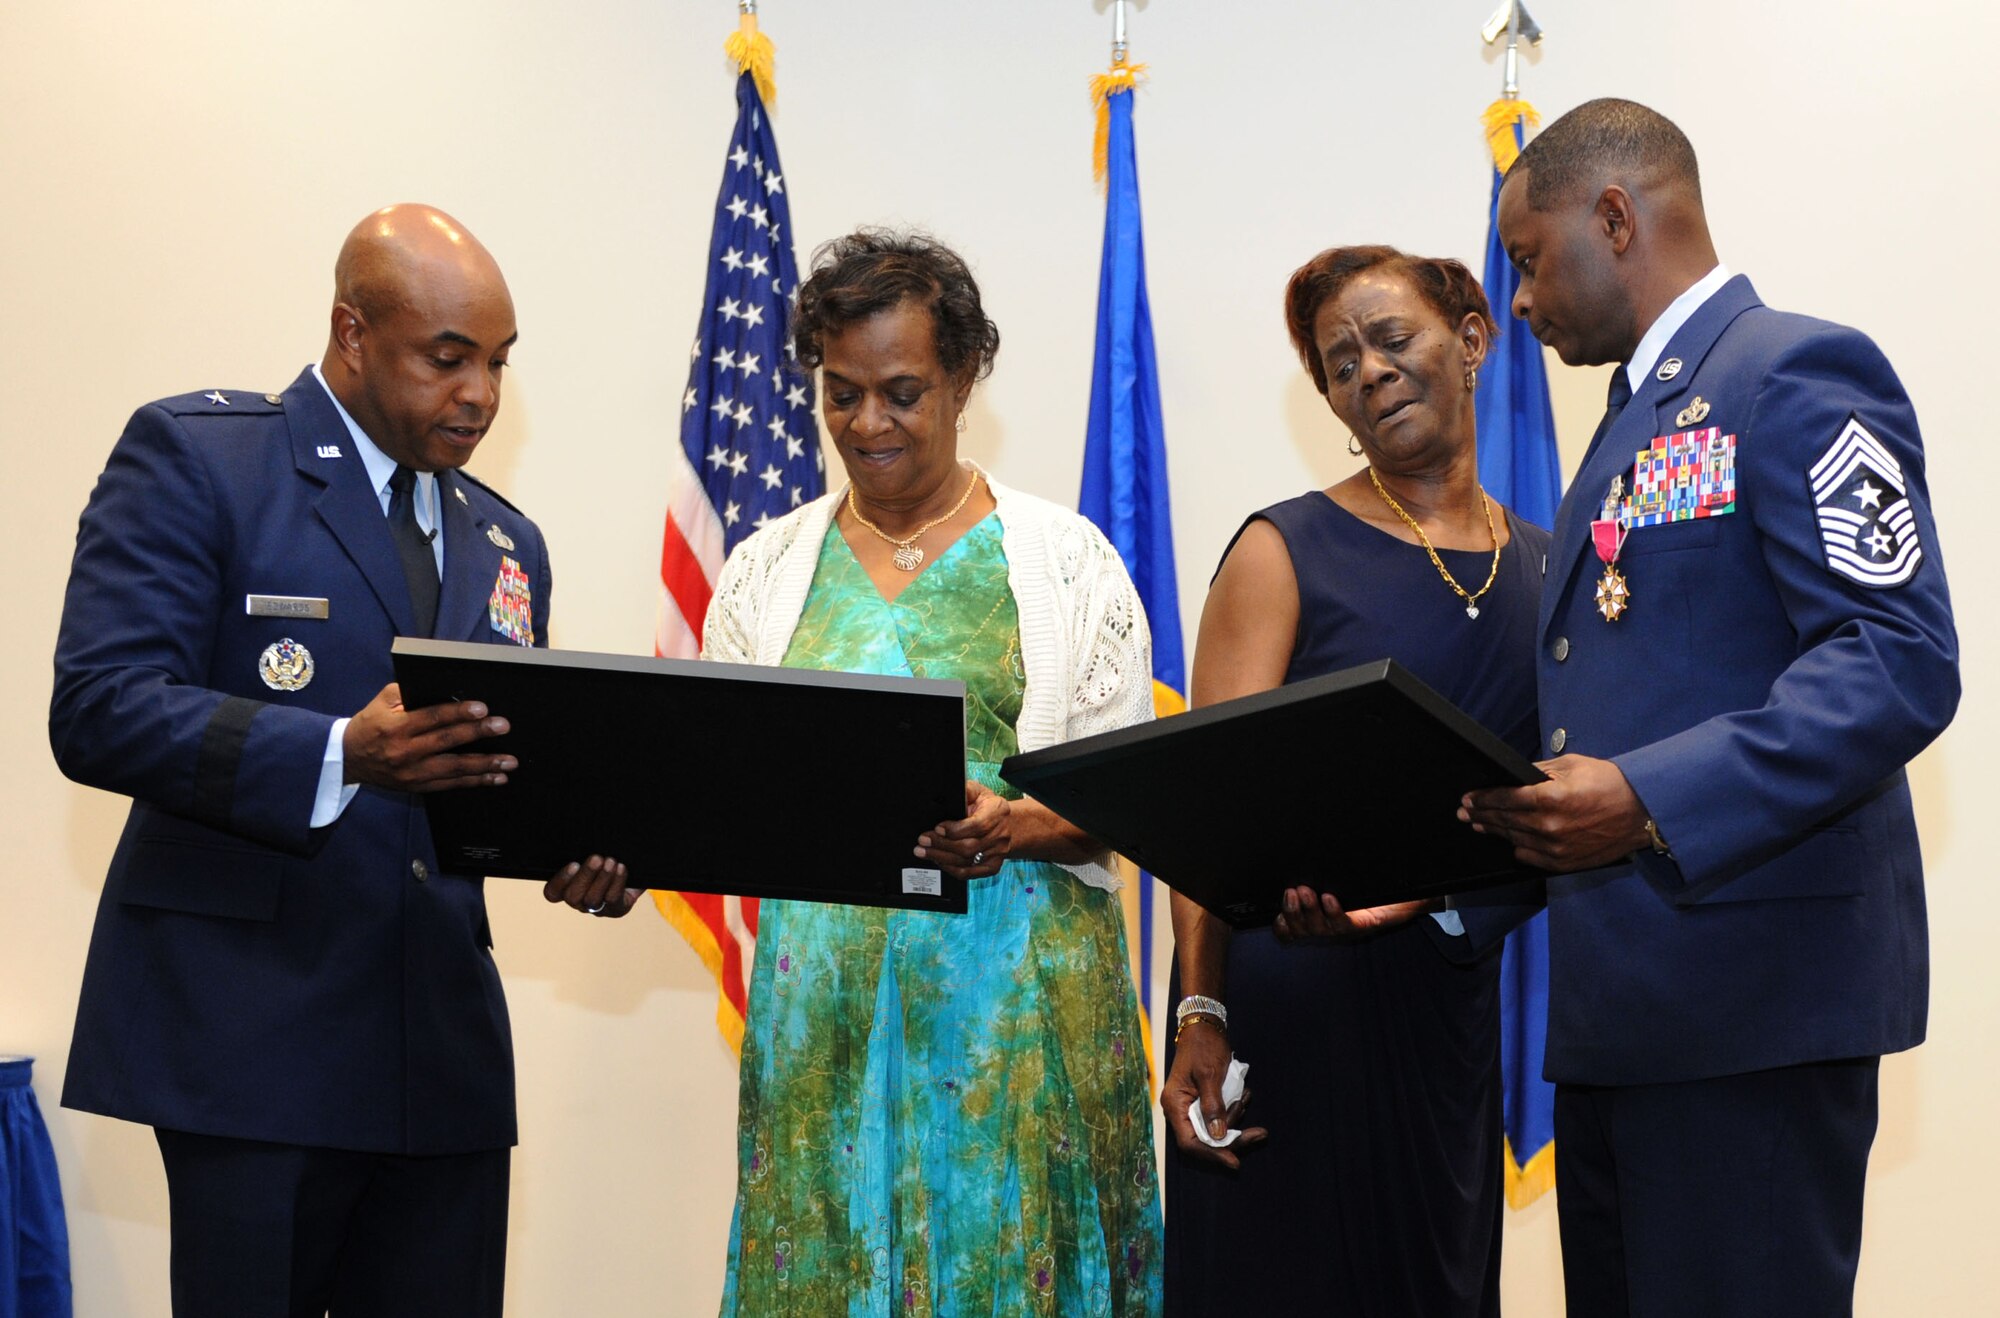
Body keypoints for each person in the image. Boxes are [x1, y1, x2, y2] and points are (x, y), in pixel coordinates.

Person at [559, 229, 1163, 1314]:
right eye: (841, 395)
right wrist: (630, 856)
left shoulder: (1064, 559)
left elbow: (1127, 800)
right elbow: (716, 791)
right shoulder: (764, 567)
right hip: (822, 1014)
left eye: (901, 392)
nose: (867, 425)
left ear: (964, 375)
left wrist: (1016, 823)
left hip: (1013, 1009)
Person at [50, 203, 615, 1317]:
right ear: (351, 333)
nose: (481, 396)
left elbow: (491, 776)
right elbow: (101, 707)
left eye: (498, 364)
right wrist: (337, 752)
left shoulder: (509, 542)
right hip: (252, 1042)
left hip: (439, 1053)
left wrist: (578, 847)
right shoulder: (203, 460)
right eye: (445, 359)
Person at [1458, 98, 1958, 1315]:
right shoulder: (1632, 419)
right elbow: (1609, 703)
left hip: (1750, 1011)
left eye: (1526, 263)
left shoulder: (1791, 371)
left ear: (1614, 217)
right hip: (1624, 1019)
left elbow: (1895, 656)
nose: (1517, 304)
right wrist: (1430, 890)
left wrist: (1644, 799)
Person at [1156, 246, 1547, 1317]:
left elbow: (1557, 807)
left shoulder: (1553, 572)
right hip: (1284, 1015)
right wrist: (1198, 1011)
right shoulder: (1283, 550)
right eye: (1338, 362)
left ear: (1469, 339)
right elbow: (1205, 812)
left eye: (1390, 339)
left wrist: (1437, 900)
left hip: (1444, 1022)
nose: (1366, 371)